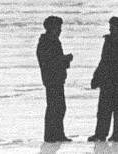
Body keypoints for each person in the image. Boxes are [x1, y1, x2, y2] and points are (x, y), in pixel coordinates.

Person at [88, 16, 118, 142]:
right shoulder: (108, 41)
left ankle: (117, 134)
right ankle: (100, 134)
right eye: (110, 26)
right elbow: (103, 61)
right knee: (103, 109)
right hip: (107, 81)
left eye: (112, 27)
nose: (110, 29)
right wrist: (96, 77)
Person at [36, 15, 73, 143]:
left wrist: (64, 60)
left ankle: (58, 134)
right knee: (54, 107)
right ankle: (51, 136)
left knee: (59, 107)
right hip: (52, 79)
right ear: (52, 28)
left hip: (56, 78)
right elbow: (50, 61)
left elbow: (53, 60)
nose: (60, 30)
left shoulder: (52, 41)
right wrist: (65, 59)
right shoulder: (47, 42)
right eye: (58, 27)